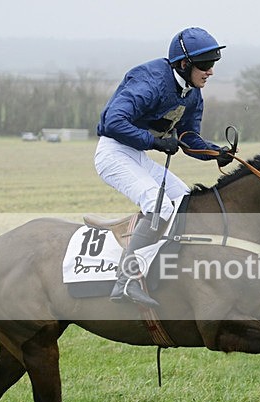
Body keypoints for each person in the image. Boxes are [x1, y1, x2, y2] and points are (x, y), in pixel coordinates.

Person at [95, 27, 234, 306]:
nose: (210, 71)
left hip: (137, 155)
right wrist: (155, 142)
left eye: (213, 64)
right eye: (205, 64)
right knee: (158, 205)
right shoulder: (150, 82)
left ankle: (169, 271)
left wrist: (214, 153)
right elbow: (113, 121)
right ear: (184, 64)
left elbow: (188, 138)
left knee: (184, 201)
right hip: (113, 154)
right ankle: (126, 281)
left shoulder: (192, 93)